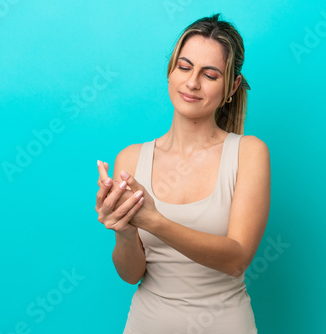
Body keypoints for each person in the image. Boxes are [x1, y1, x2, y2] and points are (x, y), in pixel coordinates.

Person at [95, 13, 270, 333]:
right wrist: (123, 229)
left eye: (210, 74)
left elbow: (237, 260)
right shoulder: (131, 159)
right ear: (170, 72)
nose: (192, 82)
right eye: (185, 67)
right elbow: (132, 274)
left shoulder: (249, 153)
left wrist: (152, 220)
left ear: (231, 87)